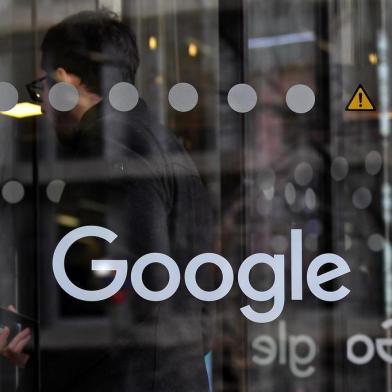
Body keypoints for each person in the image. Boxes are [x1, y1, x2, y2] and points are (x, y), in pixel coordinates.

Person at [4, 9, 215, 392]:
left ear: (64, 80)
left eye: (42, 87)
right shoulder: (164, 145)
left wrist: (48, 347)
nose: (44, 105)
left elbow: (135, 283)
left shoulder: (110, 146)